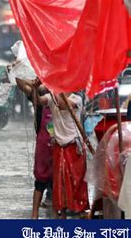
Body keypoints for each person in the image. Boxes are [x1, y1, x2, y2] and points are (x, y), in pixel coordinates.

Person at [37, 90, 89, 219]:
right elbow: (38, 100)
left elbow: (62, 105)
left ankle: (79, 210)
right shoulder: (51, 96)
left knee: (76, 181)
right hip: (59, 146)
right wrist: (33, 87)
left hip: (74, 145)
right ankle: (61, 212)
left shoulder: (76, 99)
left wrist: (52, 86)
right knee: (60, 182)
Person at [14, 76, 53, 219]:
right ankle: (34, 213)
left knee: (61, 178)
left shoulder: (66, 97)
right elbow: (22, 85)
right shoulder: (40, 96)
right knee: (41, 178)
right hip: (44, 142)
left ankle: (59, 208)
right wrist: (17, 72)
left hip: (63, 143)